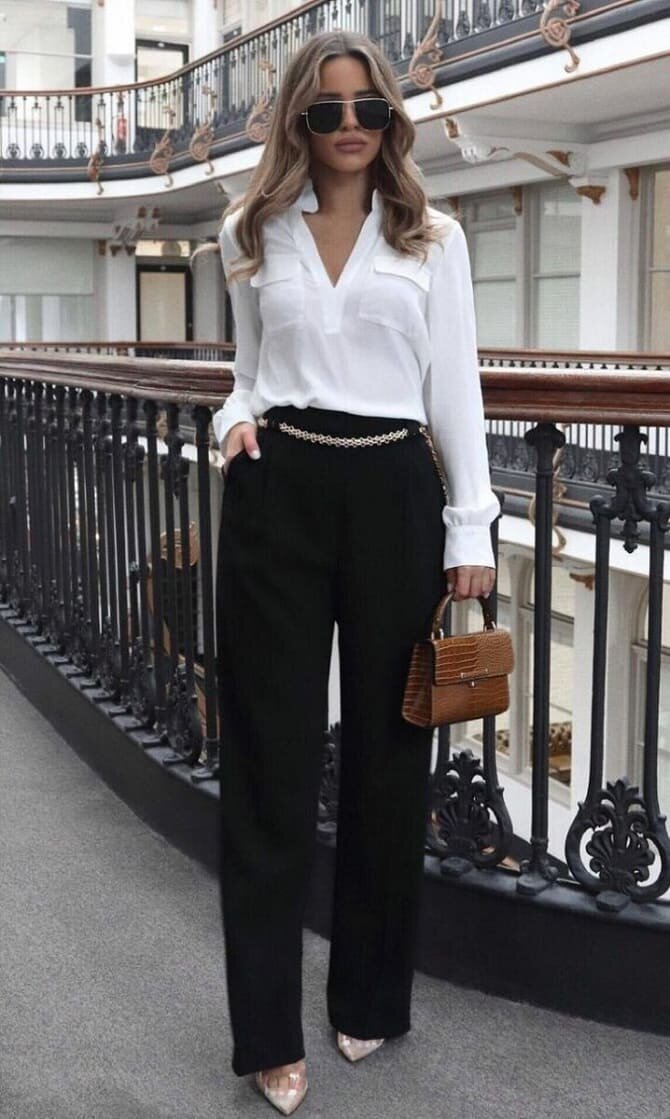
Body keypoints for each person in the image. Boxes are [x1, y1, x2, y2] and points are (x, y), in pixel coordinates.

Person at [211, 28, 498, 1116]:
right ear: (297, 118)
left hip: (393, 494)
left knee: (390, 759)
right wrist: (232, 420)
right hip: (278, 490)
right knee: (268, 761)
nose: (347, 127)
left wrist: (469, 532)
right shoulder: (250, 228)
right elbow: (246, 375)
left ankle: (370, 994)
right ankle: (265, 1032)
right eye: (326, 109)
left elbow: (455, 391)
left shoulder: (433, 237)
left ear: (390, 119)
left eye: (367, 108)